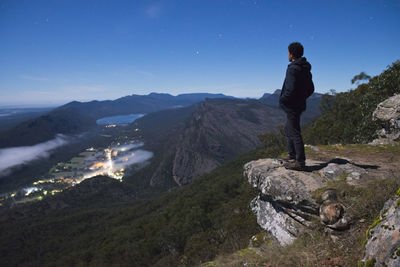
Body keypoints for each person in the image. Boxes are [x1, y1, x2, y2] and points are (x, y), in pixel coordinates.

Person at [279, 42, 314, 171]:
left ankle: (300, 161)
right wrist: (302, 97)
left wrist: (284, 99)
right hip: (299, 104)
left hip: (292, 105)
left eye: (288, 52)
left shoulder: (292, 68)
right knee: (289, 128)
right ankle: (292, 154)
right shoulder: (305, 68)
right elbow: (311, 88)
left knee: (294, 131)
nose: (287, 55)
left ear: (291, 53)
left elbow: (290, 88)